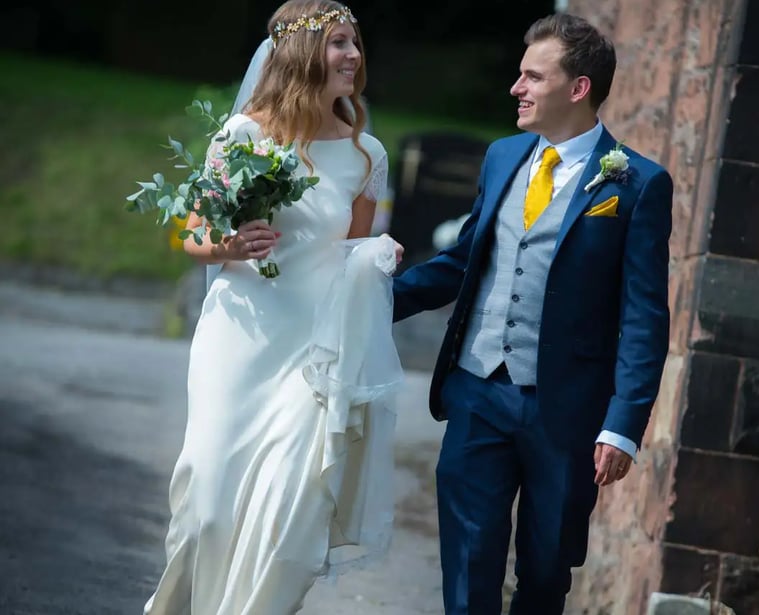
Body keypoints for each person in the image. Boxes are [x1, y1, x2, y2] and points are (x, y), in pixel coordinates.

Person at [393, 13, 673, 615]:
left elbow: (645, 316)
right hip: (476, 392)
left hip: (566, 413)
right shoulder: (502, 157)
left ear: (578, 89)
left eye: (531, 77)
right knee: (468, 564)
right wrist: (368, 302)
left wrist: (622, 423)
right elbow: (465, 260)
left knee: (546, 573)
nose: (516, 88)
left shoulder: (638, 184)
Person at [144, 2, 404, 614]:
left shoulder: (369, 155)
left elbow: (351, 254)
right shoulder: (243, 136)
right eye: (339, 43)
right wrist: (228, 244)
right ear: (300, 54)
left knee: (290, 515)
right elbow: (192, 237)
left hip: (315, 350)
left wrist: (378, 258)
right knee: (208, 506)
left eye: (356, 43)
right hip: (241, 337)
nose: (353, 56)